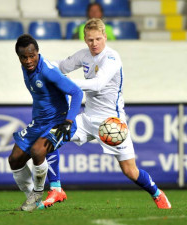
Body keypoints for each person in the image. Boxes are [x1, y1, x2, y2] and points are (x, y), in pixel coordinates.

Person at [42, 18, 171, 209]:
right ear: (85, 40)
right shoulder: (84, 55)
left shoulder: (112, 58)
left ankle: (156, 193)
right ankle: (56, 188)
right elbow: (61, 65)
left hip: (112, 123)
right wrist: (40, 65)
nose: (94, 44)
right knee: (49, 138)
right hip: (87, 119)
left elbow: (97, 84)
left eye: (98, 39)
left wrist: (65, 83)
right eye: (90, 40)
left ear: (105, 37)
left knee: (130, 171)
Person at [8, 34, 83, 212]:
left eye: (32, 56)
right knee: (14, 160)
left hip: (59, 122)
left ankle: (38, 193)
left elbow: (77, 92)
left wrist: (68, 121)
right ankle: (32, 200)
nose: (28, 61)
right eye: (24, 57)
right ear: (19, 57)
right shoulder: (26, 67)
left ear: (38, 53)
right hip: (39, 123)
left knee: (37, 151)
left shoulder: (48, 71)